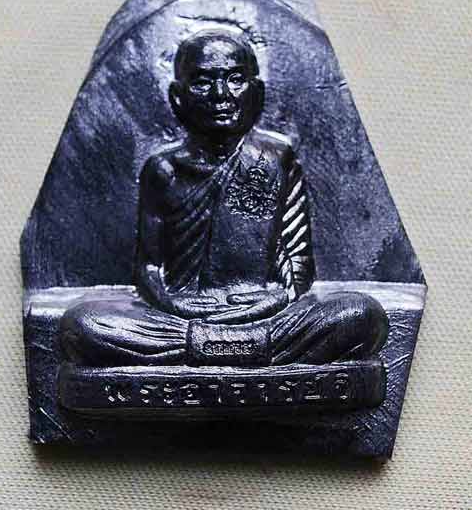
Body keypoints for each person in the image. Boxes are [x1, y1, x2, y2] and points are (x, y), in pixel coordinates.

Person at [60, 30, 388, 367]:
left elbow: (297, 264)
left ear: (257, 93)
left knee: (360, 314)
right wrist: (172, 304)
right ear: (177, 98)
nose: (221, 95)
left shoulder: (276, 159)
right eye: (203, 82)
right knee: (83, 325)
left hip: (264, 315)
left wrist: (276, 299)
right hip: (181, 319)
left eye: (235, 80)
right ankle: (249, 350)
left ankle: (207, 348)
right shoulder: (163, 169)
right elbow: (149, 267)